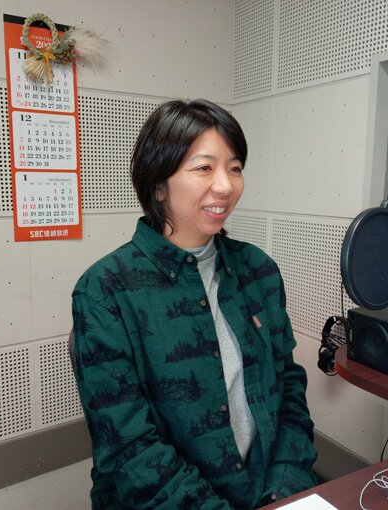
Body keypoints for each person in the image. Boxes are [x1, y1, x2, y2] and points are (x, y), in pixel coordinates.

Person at [71, 99, 318, 509]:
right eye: (204, 168)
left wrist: (283, 490)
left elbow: (288, 389)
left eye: (234, 168)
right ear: (158, 184)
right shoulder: (106, 291)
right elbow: (130, 448)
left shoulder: (258, 270)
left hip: (263, 493)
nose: (225, 186)